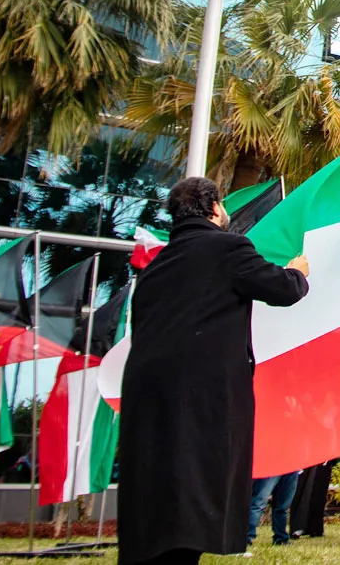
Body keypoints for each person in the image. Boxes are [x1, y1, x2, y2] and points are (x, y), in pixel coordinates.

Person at [119, 177, 309, 565]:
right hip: (202, 397)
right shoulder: (227, 247)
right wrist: (298, 272)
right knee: (197, 487)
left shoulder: (155, 267)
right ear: (215, 208)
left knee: (161, 494)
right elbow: (283, 290)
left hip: (148, 396)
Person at [247, 471, 299, 547]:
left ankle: (281, 538)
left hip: (291, 466)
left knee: (282, 506)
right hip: (272, 465)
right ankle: (246, 537)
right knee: (259, 502)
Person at [289, 459, 337, 538]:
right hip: (305, 457)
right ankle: (298, 526)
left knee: (319, 491)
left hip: (323, 458)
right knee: (301, 489)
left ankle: (315, 528)